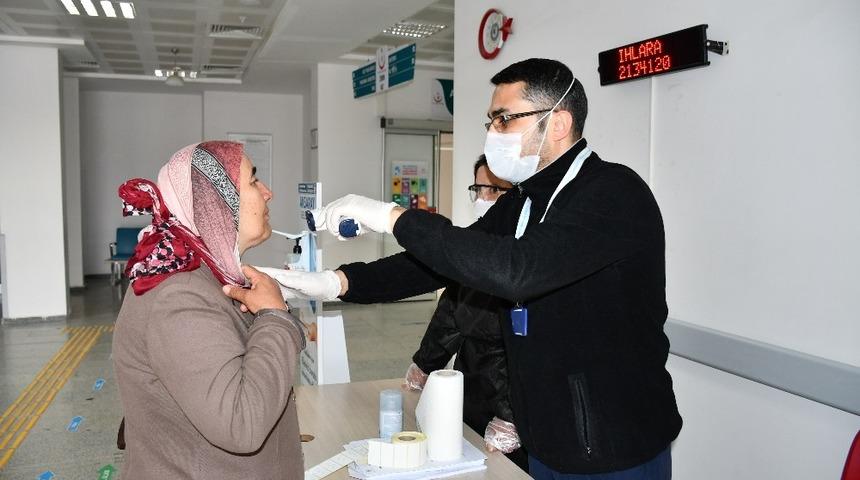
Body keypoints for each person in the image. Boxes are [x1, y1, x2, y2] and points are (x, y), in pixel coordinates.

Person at [271, 58, 682, 479]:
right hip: (546, 438)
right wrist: (337, 282)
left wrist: (392, 217)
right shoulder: (523, 201)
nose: (493, 133)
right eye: (491, 121)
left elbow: (516, 271)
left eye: (504, 119)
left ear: (558, 123)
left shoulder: (613, 193)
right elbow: (439, 264)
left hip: (614, 444)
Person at [112, 141, 307, 479]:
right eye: (253, 181)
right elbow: (241, 423)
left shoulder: (201, 272)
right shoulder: (180, 294)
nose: (268, 192)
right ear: (215, 201)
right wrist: (274, 317)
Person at [404, 155, 528, 470]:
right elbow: (451, 312)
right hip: (470, 386)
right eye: (478, 189)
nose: (483, 199)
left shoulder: (525, 258)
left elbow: (530, 350)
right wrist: (424, 365)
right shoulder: (475, 248)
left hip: (515, 409)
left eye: (494, 190)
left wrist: (510, 416)